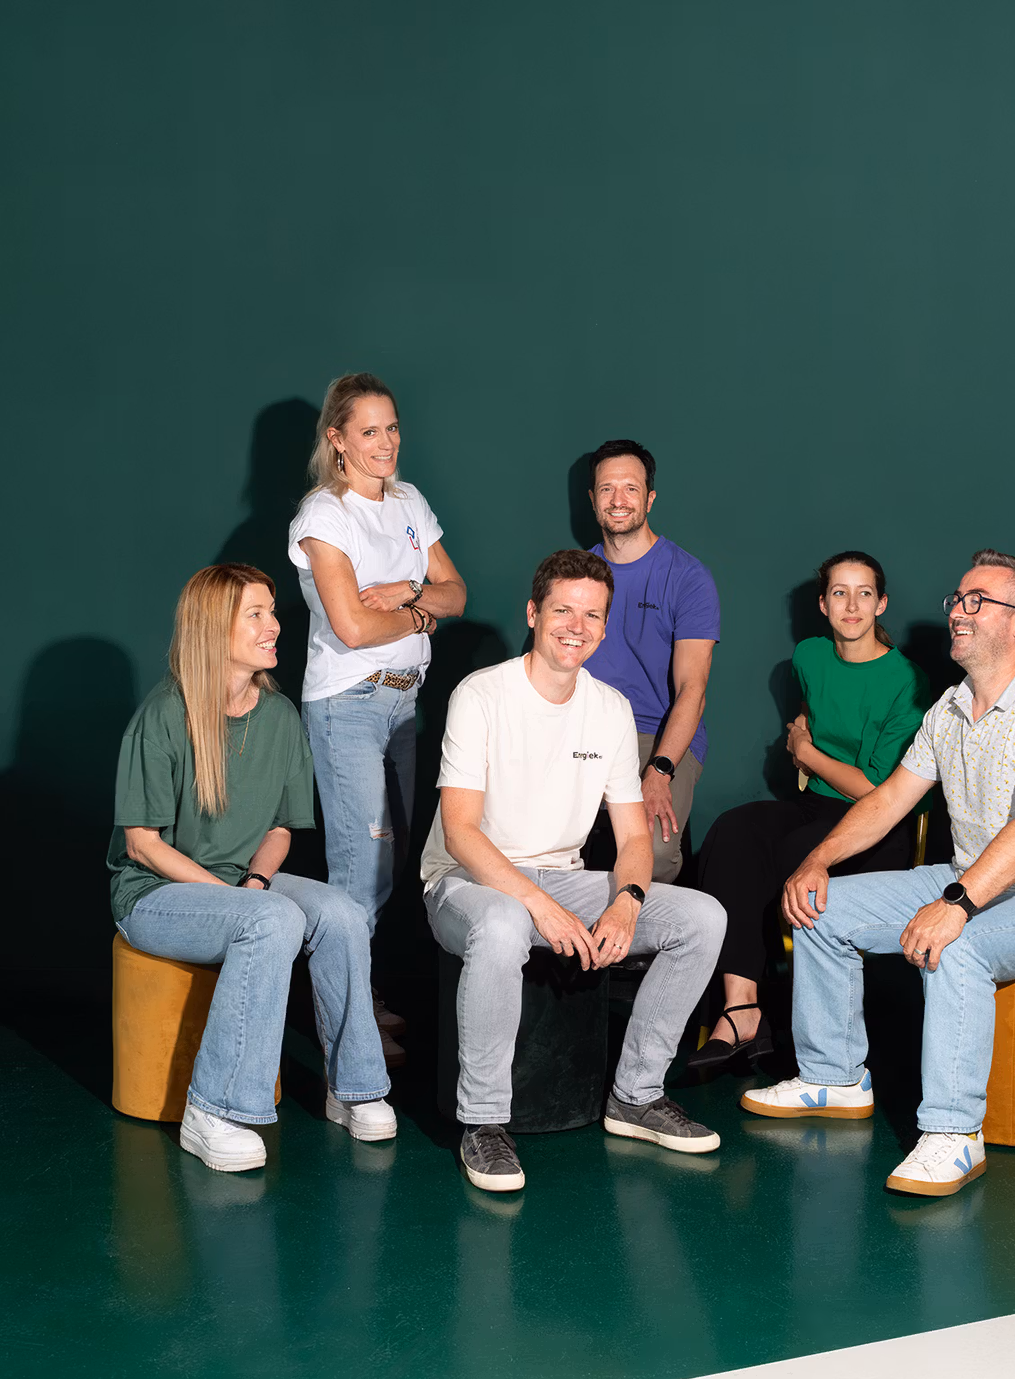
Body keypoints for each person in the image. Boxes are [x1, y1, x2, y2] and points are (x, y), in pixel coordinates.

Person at [742, 550, 1015, 1198]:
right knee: (823, 907)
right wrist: (816, 860)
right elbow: (889, 799)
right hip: (971, 875)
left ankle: (954, 1135)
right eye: (958, 599)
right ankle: (833, 1075)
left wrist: (957, 906)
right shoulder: (949, 707)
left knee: (956, 942)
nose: (958, 612)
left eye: (977, 602)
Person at [421, 548, 726, 1192]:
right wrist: (540, 906)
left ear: (605, 627)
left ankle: (636, 1095)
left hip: (560, 876)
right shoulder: (481, 694)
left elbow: (634, 836)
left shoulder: (610, 709)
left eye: (592, 615)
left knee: (702, 917)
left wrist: (627, 901)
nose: (576, 626)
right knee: (503, 925)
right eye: (563, 610)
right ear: (534, 614)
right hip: (467, 879)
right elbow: (461, 833)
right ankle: (483, 1123)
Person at [108, 564, 395, 1173]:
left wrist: (256, 884)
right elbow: (141, 845)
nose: (275, 626)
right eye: (256, 615)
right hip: (155, 894)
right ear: (214, 629)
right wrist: (240, 900)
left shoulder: (280, 715)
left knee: (342, 913)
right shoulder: (163, 715)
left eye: (273, 611)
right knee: (270, 922)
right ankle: (213, 1110)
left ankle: (353, 1088)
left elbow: (280, 829)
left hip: (243, 880)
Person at [691, 551, 928, 1070]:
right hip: (815, 804)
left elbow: (876, 788)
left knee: (789, 855)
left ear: (881, 604)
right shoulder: (808, 655)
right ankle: (741, 1010)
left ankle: (803, 1030)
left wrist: (806, 752)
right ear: (823, 604)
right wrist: (803, 730)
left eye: (864, 594)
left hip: (877, 825)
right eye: (840, 593)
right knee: (733, 832)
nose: (852, 605)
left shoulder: (907, 681)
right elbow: (813, 710)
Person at [288, 374, 467, 1040]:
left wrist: (408, 593)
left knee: (389, 870)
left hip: (405, 704)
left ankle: (356, 998)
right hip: (349, 706)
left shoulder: (409, 500)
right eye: (369, 431)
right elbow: (353, 627)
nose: (386, 442)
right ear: (337, 439)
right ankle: (349, 1035)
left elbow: (457, 592)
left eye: (392, 427)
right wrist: (421, 614)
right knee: (358, 873)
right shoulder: (323, 516)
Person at [583, 438, 720, 884]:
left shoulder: (687, 577)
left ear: (650, 498)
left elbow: (693, 690)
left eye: (631, 488)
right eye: (607, 489)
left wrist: (660, 770)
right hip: (583, 728)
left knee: (653, 853)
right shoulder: (576, 574)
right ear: (593, 499)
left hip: (654, 735)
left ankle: (642, 928)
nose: (618, 500)